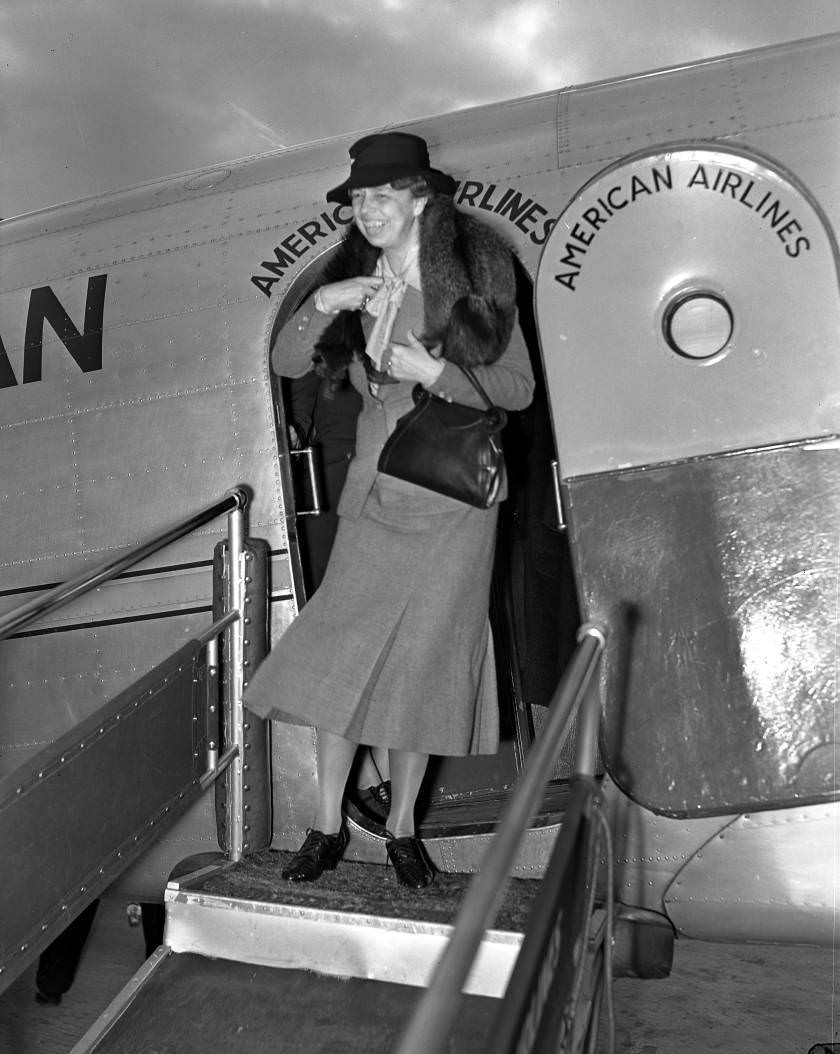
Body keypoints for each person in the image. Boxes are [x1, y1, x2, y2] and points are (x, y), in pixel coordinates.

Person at [245, 131, 534, 888]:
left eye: (381, 195)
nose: (365, 209)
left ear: (422, 199)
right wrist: (322, 302)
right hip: (375, 497)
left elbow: (517, 389)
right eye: (357, 198)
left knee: (426, 668)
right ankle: (327, 825)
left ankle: (403, 829)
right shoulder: (354, 275)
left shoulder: (472, 274)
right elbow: (283, 363)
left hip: (453, 503)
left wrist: (436, 370)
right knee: (341, 657)